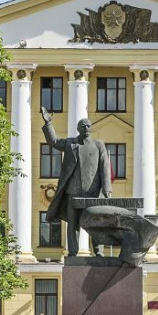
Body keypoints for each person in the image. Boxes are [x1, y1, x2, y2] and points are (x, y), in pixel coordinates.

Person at [40, 107, 113, 257]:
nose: (86, 128)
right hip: (73, 192)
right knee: (73, 225)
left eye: (88, 125)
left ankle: (99, 251)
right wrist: (48, 124)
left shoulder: (99, 145)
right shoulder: (70, 144)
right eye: (83, 126)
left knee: (96, 223)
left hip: (92, 193)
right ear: (78, 129)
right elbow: (53, 141)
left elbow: (104, 166)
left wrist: (107, 187)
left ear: (91, 128)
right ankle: (73, 252)